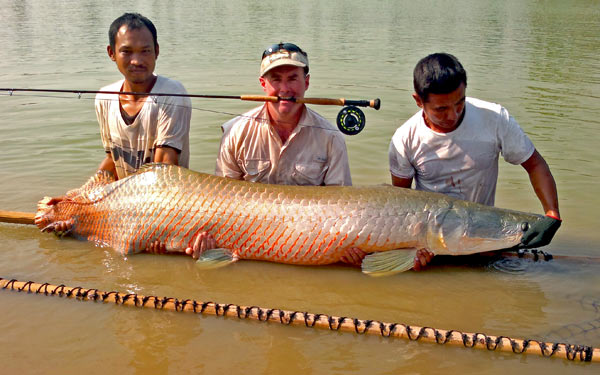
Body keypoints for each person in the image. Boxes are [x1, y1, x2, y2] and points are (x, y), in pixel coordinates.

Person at [388, 52, 561, 270]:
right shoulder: (405, 139)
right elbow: (400, 202)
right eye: (441, 109)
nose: (453, 115)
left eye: (460, 103)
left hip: (481, 235)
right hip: (432, 241)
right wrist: (411, 251)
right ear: (418, 101)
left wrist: (552, 213)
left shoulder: (495, 118)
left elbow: (534, 164)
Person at [186, 42, 358, 260]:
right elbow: (222, 204)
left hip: (309, 241)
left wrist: (349, 246)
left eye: (292, 78)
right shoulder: (235, 133)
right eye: (276, 79)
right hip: (246, 236)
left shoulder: (331, 138)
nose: (285, 89)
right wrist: (206, 239)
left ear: (306, 82)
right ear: (263, 84)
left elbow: (341, 210)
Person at [39, 13, 192, 246]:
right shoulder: (104, 97)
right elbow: (112, 159)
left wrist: (89, 206)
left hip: (165, 205)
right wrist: (78, 197)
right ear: (111, 53)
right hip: (124, 205)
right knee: (58, 221)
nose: (137, 60)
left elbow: (163, 172)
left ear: (157, 51)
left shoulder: (172, 93)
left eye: (145, 51)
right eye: (127, 51)